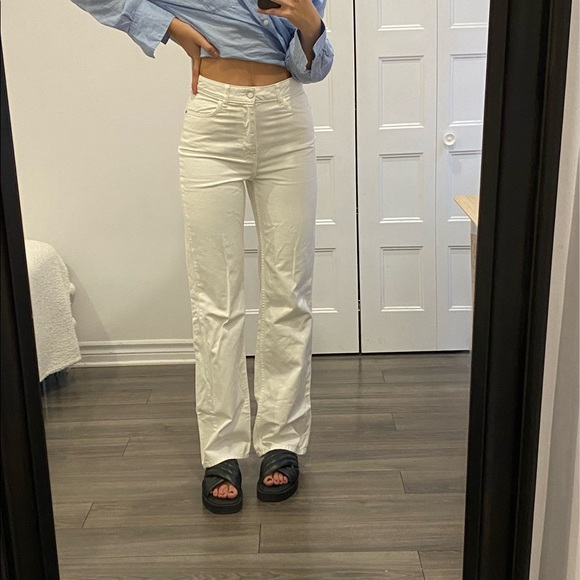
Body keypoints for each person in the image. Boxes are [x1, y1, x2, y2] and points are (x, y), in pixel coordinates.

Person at [70, 0, 334, 514]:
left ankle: (281, 440)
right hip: (213, 118)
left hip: (285, 117)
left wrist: (309, 23)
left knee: (290, 293)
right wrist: (167, 25)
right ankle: (222, 450)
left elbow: (311, 68)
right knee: (216, 300)